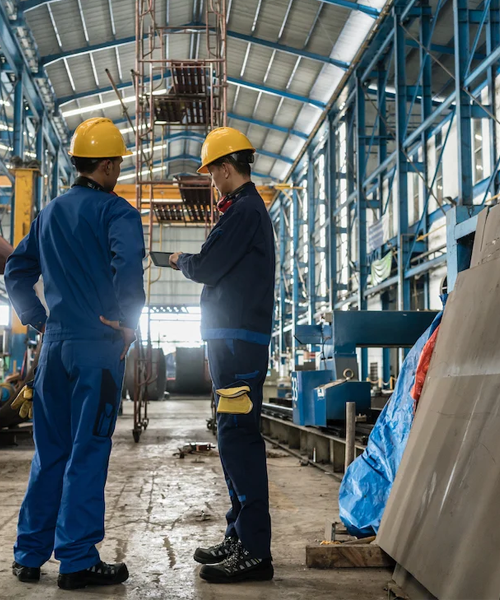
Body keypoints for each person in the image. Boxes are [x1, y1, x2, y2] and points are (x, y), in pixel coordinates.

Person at [5, 117, 145, 590]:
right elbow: (128, 265)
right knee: (87, 451)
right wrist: (129, 321)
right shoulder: (117, 213)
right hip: (97, 349)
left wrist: (39, 319)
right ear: (107, 166)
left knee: (50, 454)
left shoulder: (49, 213)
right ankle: (78, 559)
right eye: (117, 163)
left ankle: (28, 555)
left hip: (54, 350)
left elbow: (16, 271)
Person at [170, 127, 276, 584]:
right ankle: (239, 535)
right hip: (230, 340)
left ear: (226, 168)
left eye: (212, 172)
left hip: (237, 342)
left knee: (239, 439)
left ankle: (254, 551)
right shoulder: (241, 211)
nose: (212, 180)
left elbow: (208, 266)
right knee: (231, 438)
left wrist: (179, 261)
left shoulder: (244, 211)